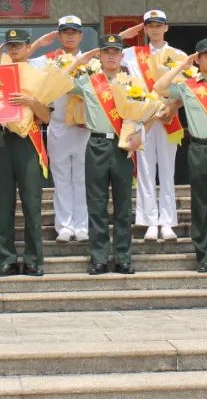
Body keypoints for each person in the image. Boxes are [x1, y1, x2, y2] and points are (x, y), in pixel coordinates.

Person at [154, 38, 207, 273]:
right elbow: (160, 88)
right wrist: (182, 66)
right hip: (200, 149)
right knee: (201, 204)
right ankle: (205, 256)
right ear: (198, 59)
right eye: (206, 55)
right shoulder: (188, 86)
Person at [66, 35, 142, 275]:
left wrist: (139, 135)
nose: (111, 56)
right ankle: (98, 257)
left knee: (123, 205)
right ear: (99, 55)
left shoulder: (132, 83)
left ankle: (123, 258)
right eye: (106, 51)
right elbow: (59, 81)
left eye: (115, 52)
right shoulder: (89, 82)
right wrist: (80, 60)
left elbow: (143, 112)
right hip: (97, 144)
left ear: (122, 55)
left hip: (122, 146)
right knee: (96, 204)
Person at [0, 29, 52, 277]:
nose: (14, 49)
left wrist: (30, 101)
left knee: (32, 202)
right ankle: (5, 259)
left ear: (28, 47)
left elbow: (47, 117)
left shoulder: (39, 75)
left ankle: (33, 259)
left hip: (29, 141)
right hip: (3, 139)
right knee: (3, 203)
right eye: (10, 45)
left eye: (19, 45)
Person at [28, 15, 91, 243]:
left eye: (74, 32)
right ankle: (64, 225)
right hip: (58, 125)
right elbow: (22, 61)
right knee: (62, 178)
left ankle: (82, 226)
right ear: (59, 35)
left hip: (84, 126)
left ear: (81, 35)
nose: (70, 36)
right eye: (65, 32)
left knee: (82, 178)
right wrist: (38, 43)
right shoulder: (48, 61)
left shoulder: (90, 61)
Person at [122, 9, 184, 242]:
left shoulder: (179, 55)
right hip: (144, 119)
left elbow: (189, 88)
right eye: (150, 25)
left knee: (167, 171)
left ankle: (167, 222)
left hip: (168, 118)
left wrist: (174, 106)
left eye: (159, 25)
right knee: (145, 171)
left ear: (166, 27)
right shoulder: (132, 53)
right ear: (144, 29)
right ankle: (149, 221)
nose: (155, 29)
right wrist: (125, 35)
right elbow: (103, 51)